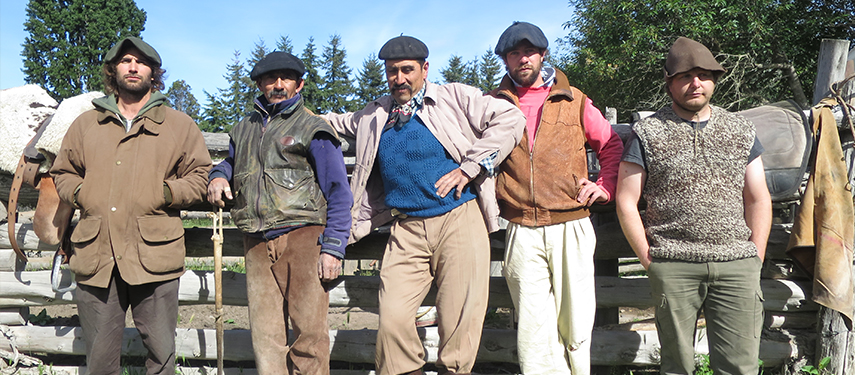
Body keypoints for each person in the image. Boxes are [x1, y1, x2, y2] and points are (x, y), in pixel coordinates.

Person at [322, 36, 525, 375]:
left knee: (459, 317)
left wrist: (470, 166)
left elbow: (511, 119)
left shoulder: (454, 97)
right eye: (392, 72)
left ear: (424, 69)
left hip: (459, 218)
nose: (399, 78)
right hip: (406, 227)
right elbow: (334, 122)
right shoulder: (375, 114)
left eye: (406, 70)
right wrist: (301, 114)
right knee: (393, 318)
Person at [51, 37, 212, 375]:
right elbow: (63, 173)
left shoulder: (179, 125)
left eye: (142, 62)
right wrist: (83, 193)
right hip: (97, 256)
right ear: (114, 70)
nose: (133, 67)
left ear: (154, 73)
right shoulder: (86, 124)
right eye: (125, 61)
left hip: (154, 255)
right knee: (100, 359)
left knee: (162, 355)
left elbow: (200, 176)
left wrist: (164, 193)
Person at [615, 36, 772, 374]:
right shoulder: (647, 132)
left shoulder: (741, 129)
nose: (695, 83)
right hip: (673, 266)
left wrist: (754, 256)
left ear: (715, 79)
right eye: (684, 76)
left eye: (703, 75)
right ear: (670, 83)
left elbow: (758, 197)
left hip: (736, 265)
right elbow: (626, 201)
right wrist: (650, 259)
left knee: (740, 366)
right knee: (677, 365)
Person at [488, 21, 624, 375]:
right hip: (520, 227)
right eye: (514, 53)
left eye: (529, 51)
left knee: (576, 322)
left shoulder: (574, 100)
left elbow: (610, 145)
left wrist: (605, 186)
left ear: (543, 55)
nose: (522, 59)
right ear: (505, 59)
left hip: (571, 223)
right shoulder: (491, 104)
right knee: (533, 327)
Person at [206, 51, 352, 375]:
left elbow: (338, 190)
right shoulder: (242, 129)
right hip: (256, 243)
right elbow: (232, 163)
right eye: (271, 78)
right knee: (266, 339)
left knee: (309, 340)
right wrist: (218, 175)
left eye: (286, 78)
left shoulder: (314, 129)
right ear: (259, 83)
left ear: (299, 84)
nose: (278, 84)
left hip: (305, 237)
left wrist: (334, 246)